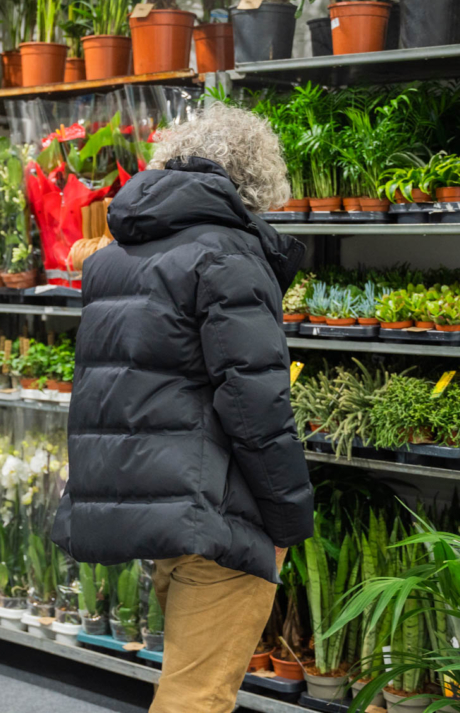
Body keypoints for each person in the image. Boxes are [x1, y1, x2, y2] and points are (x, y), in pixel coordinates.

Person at [52, 103, 313, 713]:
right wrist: (287, 520)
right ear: (255, 182)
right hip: (222, 509)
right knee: (196, 698)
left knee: (185, 684)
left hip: (165, 504)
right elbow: (255, 403)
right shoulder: (229, 256)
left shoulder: (115, 258)